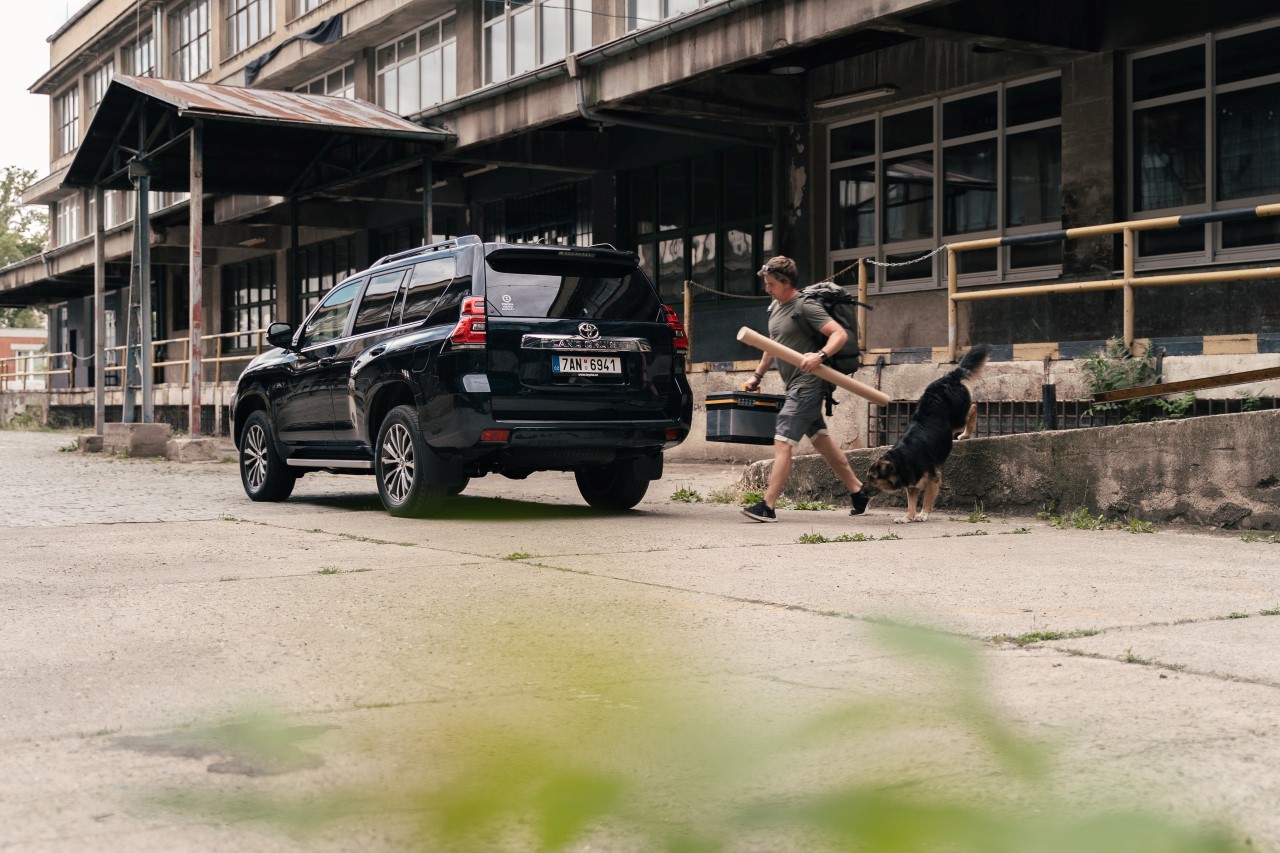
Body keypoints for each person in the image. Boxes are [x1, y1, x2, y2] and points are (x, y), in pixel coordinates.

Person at [740, 256, 870, 522]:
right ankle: (859, 491)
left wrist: (820, 356)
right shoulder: (776, 307)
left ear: (786, 282)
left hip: (807, 386)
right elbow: (772, 346)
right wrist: (757, 376)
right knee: (822, 442)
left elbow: (839, 334)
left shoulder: (805, 306)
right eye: (766, 283)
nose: (767, 289)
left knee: (782, 440)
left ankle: (767, 505)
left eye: (771, 284)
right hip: (794, 386)